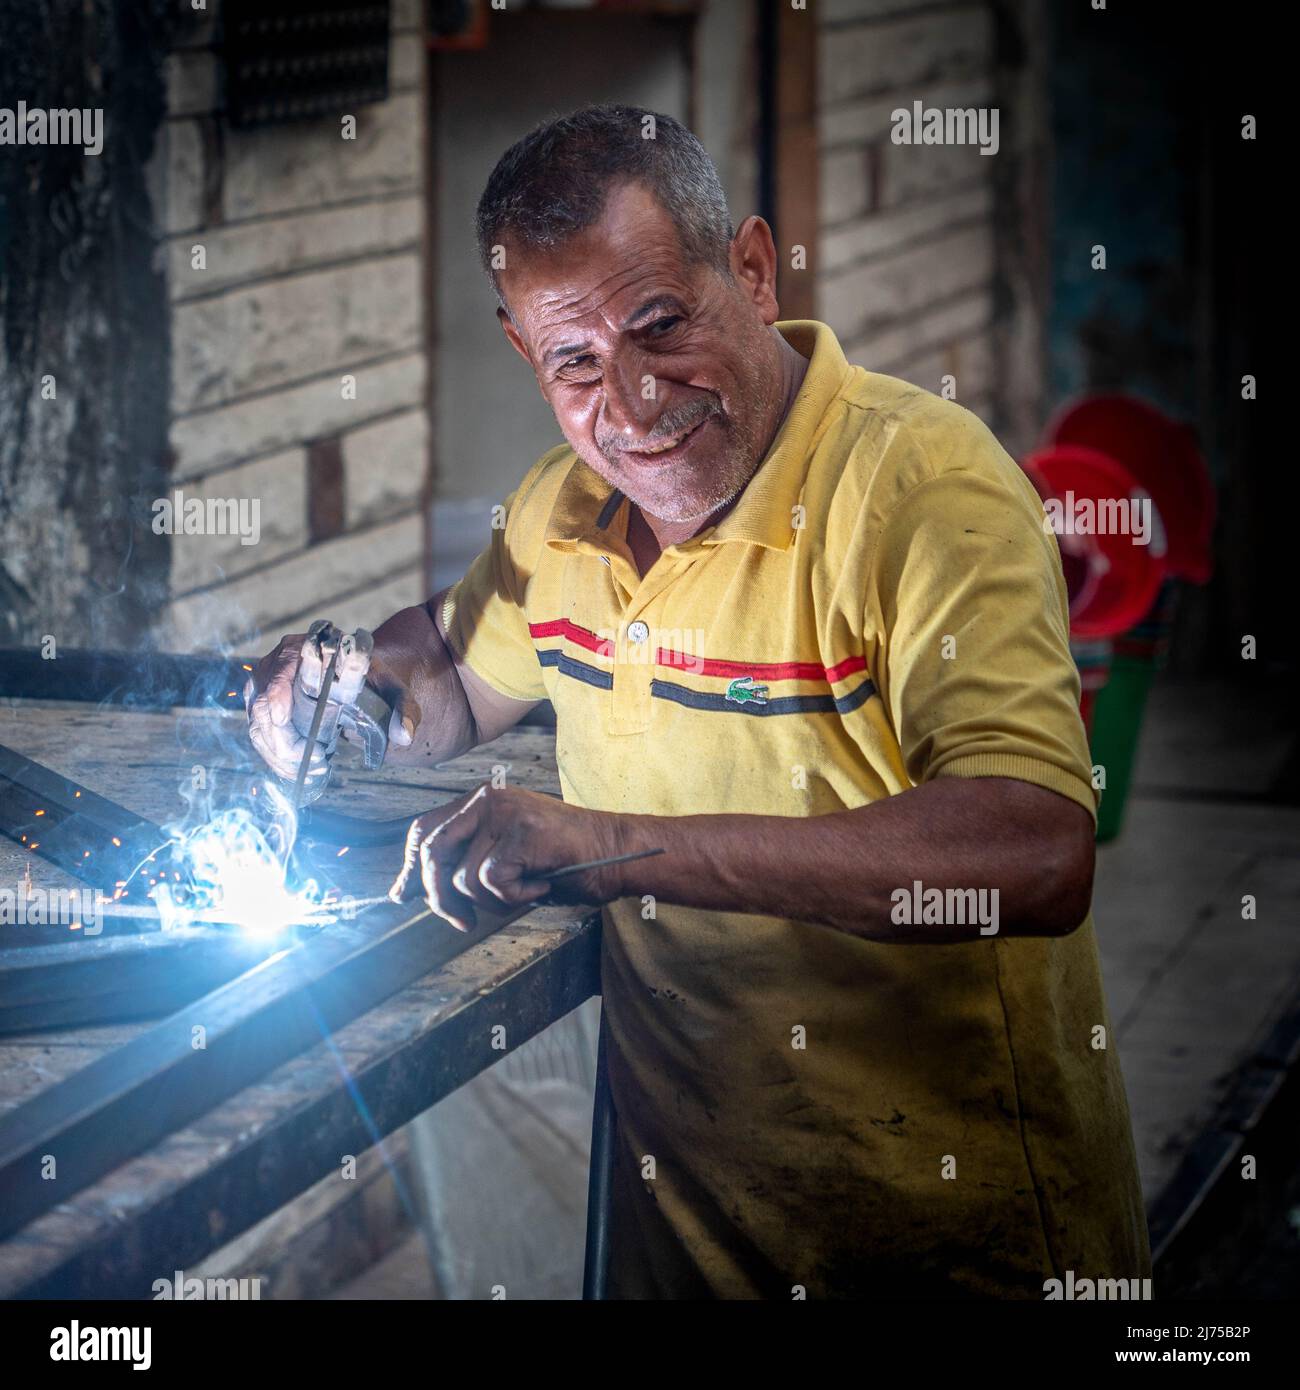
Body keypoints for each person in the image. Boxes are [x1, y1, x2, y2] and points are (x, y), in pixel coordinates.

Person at [247, 104, 1150, 1299]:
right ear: (526, 352)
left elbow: (1034, 852)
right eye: (574, 362)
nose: (628, 402)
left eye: (659, 326)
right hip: (684, 1244)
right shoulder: (558, 514)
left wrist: (618, 849)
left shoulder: (923, 489)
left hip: (939, 1245)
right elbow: (452, 683)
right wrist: (339, 687)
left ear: (753, 270)